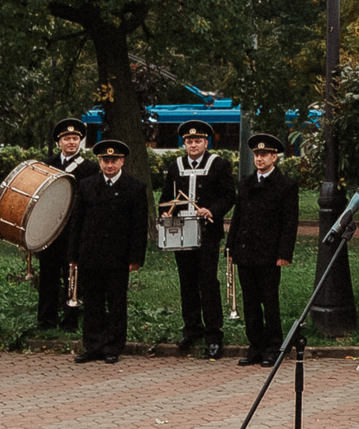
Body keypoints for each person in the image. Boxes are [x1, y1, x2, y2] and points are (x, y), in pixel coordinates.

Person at [159, 121, 236, 358]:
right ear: (185, 144)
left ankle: (214, 334)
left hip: (208, 233)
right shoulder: (175, 166)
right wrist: (164, 212)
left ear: (206, 143)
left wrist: (212, 210)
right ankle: (192, 328)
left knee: (208, 282)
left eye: (198, 141)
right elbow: (166, 197)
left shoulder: (219, 165)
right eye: (189, 141)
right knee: (187, 282)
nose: (193, 145)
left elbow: (229, 196)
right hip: (181, 233)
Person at [72, 139, 150, 363]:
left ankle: (113, 346)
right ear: (100, 162)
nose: (109, 165)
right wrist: (74, 255)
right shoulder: (87, 185)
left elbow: (138, 226)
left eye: (114, 160)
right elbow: (77, 221)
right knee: (93, 302)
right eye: (105, 160)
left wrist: (136, 258)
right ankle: (93, 345)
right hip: (91, 253)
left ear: (122, 162)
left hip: (118, 256)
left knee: (116, 303)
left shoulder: (134, 187)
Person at [226, 132, 298, 366]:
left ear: (274, 157)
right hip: (246, 251)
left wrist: (284, 253)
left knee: (270, 300)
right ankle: (255, 346)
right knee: (250, 302)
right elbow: (238, 216)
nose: (260, 158)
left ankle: (274, 347)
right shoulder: (245, 183)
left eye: (265, 154)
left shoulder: (285, 185)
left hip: (269, 254)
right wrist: (230, 245)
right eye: (257, 154)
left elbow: (290, 222)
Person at [32, 118, 97, 332]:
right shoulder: (46, 165)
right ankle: (46, 319)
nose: (71, 142)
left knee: (73, 275)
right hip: (49, 230)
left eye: (75, 138)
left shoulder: (89, 168)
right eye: (67, 138)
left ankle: (70, 319)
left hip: (73, 230)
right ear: (59, 141)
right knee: (48, 275)